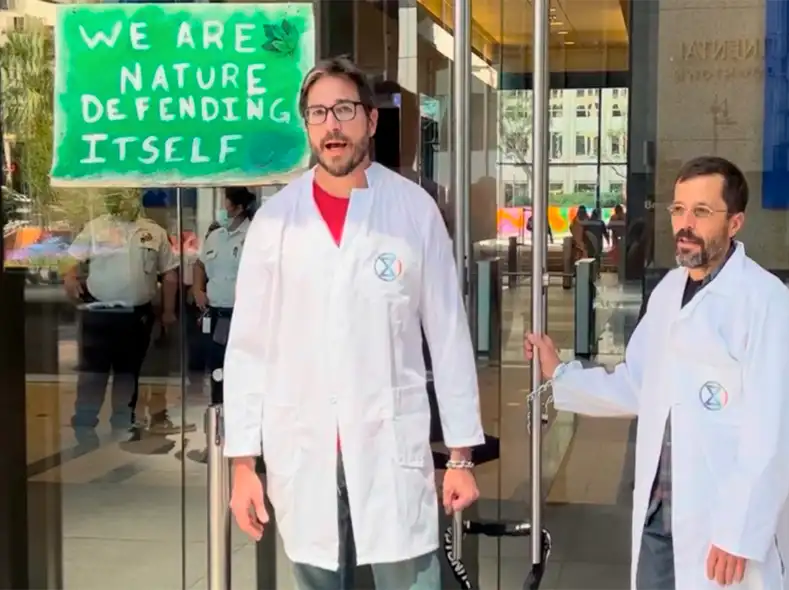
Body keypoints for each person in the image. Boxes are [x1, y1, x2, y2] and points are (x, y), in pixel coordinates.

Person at [224, 55, 484, 590]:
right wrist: (242, 464)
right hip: (304, 446)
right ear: (307, 126)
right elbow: (249, 349)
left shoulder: (413, 212)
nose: (332, 126)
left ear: (371, 119)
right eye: (318, 113)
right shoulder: (276, 222)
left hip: (390, 447)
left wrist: (460, 454)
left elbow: (449, 335)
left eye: (344, 110)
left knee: (412, 579)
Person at [525, 156, 789, 590]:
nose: (685, 224)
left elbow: (774, 431)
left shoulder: (766, 301)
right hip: (660, 517)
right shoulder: (668, 292)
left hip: (722, 523)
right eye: (678, 209)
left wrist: (739, 529)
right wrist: (561, 374)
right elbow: (640, 384)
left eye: (701, 211)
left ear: (735, 223)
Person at [63, 192, 180, 447]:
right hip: (100, 313)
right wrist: (70, 278)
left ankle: (123, 423)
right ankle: (84, 424)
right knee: (94, 373)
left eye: (132, 196)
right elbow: (71, 260)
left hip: (136, 316)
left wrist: (168, 311)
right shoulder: (97, 227)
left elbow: (169, 274)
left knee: (128, 372)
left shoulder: (154, 232)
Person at [183, 187, 256, 464]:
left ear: (239, 208)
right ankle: (217, 444)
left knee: (245, 382)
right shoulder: (215, 235)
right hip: (216, 317)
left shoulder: (255, 235)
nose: (222, 210)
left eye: (225, 204)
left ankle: (247, 448)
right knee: (217, 378)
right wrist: (198, 290)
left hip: (244, 319)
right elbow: (200, 265)